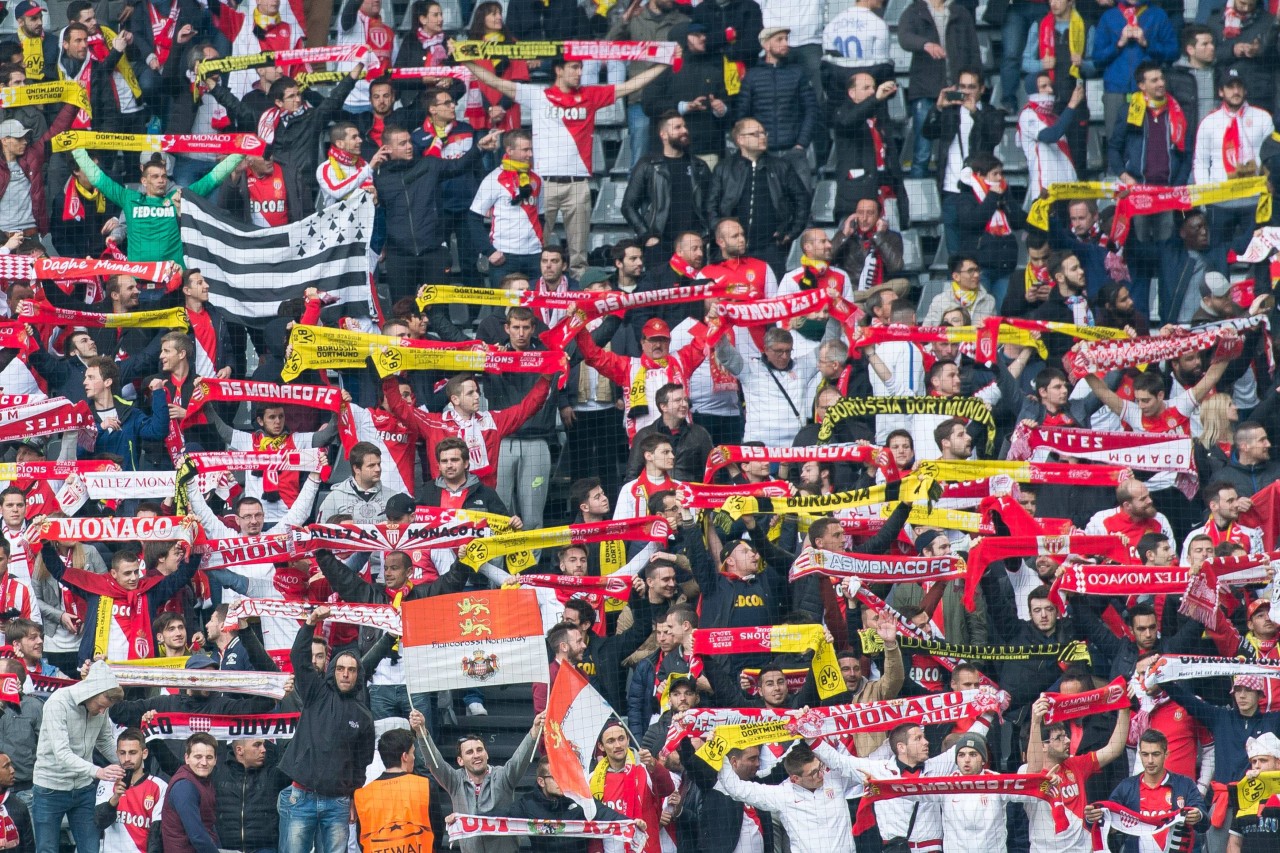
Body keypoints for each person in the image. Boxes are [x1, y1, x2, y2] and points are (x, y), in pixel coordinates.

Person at [462, 54, 671, 276]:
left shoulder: (591, 95)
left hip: (578, 184)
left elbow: (630, 86)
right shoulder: (538, 94)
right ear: (558, 70)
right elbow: (496, 82)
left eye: (581, 68)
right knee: (539, 251)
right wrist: (464, 59)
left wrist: (664, 63)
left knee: (579, 257)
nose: (579, 72)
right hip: (543, 185)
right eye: (574, 67)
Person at [276, 606, 375, 853]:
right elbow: (299, 656)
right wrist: (310, 623)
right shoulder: (315, 692)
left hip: (338, 803)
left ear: (358, 675)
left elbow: (362, 763)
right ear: (333, 670)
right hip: (301, 797)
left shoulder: (364, 716)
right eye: (341, 669)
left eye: (352, 670)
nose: (345, 675)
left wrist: (353, 797)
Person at [68, 146, 241, 266]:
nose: (161, 180)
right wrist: (77, 151)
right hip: (139, 282)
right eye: (155, 176)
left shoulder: (179, 197)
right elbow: (99, 179)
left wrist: (240, 153)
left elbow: (212, 179)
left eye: (164, 176)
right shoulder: (129, 198)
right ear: (143, 180)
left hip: (171, 282)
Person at [410, 709, 544, 853]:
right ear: (460, 761)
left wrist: (535, 730)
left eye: (479, 750)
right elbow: (434, 762)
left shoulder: (503, 776)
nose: (476, 755)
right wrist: (421, 731)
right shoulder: (454, 781)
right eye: (469, 752)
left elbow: (520, 759)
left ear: (487, 754)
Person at [31, 661, 124, 853]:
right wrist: (97, 771)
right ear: (89, 692)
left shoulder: (101, 708)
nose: (101, 712)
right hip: (50, 789)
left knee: (90, 849)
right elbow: (62, 754)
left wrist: (124, 762)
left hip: (83, 789)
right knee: (47, 850)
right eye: (100, 706)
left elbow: (105, 741)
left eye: (105, 708)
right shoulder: (57, 704)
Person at [707, 118, 810, 275]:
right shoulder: (724, 168)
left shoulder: (781, 166)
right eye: (756, 134)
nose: (762, 136)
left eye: (763, 133)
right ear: (740, 139)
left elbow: (802, 200)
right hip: (731, 248)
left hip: (770, 247)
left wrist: (791, 231)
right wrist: (720, 232)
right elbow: (710, 205)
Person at [1086, 729, 1208, 853]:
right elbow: (1107, 821)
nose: (1150, 760)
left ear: (1166, 754)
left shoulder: (1185, 784)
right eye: (1145, 754)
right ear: (1139, 754)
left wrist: (1198, 815)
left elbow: (1204, 823)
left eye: (1155, 754)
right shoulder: (1126, 787)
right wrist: (1092, 818)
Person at [622, 111, 713, 259]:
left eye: (684, 126)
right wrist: (647, 236)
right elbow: (628, 205)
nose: (684, 130)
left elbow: (711, 205)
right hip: (660, 245)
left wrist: (705, 235)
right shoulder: (647, 165)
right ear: (663, 134)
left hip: (693, 246)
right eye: (678, 127)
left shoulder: (700, 166)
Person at [470, 129, 543, 288]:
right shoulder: (493, 179)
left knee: (537, 310)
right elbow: (473, 218)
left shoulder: (536, 179)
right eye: (525, 150)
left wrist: (540, 245)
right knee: (502, 310)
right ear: (510, 151)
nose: (530, 154)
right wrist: (489, 251)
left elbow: (541, 215)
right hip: (504, 256)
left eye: (531, 149)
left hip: (534, 256)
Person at [353, 729, 434, 853]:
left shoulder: (362, 795)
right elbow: (436, 829)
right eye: (413, 752)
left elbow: (361, 838)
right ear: (405, 757)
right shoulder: (423, 785)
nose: (414, 757)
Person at [93, 728, 164, 853]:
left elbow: (157, 836)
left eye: (132, 753)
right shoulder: (108, 780)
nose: (127, 758)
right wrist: (115, 799)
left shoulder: (160, 786)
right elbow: (99, 822)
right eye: (122, 753)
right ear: (117, 754)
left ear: (144, 753)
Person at [212, 738, 288, 853]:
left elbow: (293, 759)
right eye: (257, 745)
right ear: (239, 750)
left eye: (264, 745)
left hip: (264, 848)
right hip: (226, 848)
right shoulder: (218, 772)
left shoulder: (272, 774)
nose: (263, 750)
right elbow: (180, 767)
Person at [159, 733, 218, 853]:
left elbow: (209, 825)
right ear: (187, 758)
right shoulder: (184, 786)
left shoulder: (204, 780)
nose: (204, 762)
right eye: (198, 757)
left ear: (216, 760)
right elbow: (197, 836)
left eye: (209, 757)